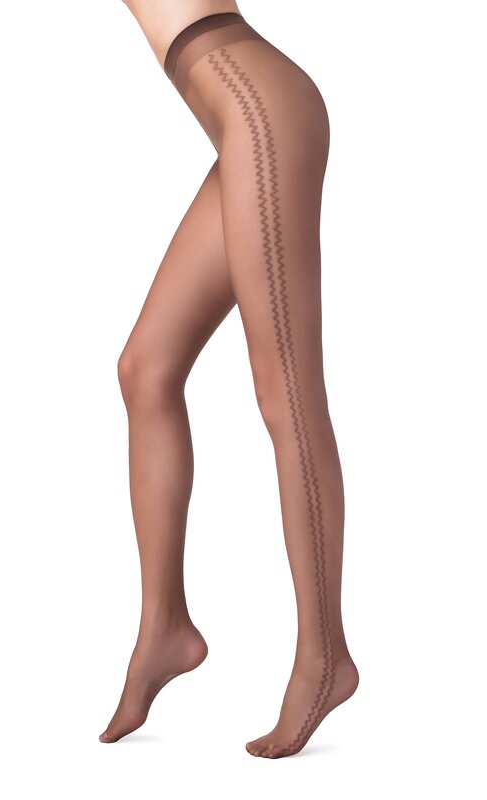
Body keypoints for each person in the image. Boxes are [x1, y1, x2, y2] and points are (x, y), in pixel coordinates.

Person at [99, 0, 359, 759]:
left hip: (257, 106)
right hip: (242, 115)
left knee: (286, 393)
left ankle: (325, 657)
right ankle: (164, 627)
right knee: (145, 369)